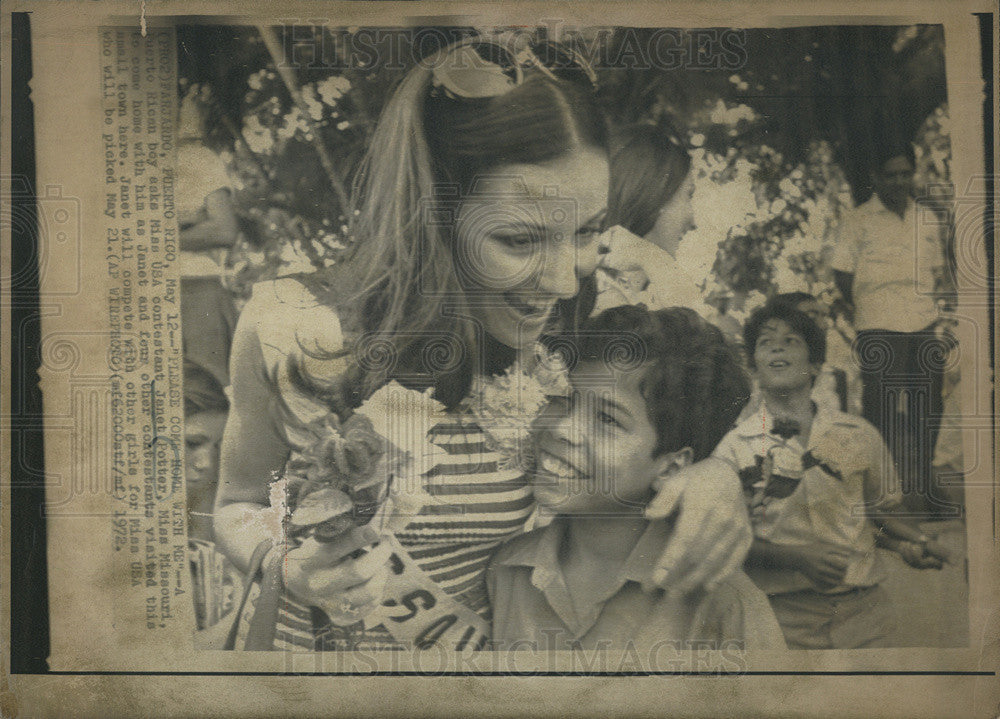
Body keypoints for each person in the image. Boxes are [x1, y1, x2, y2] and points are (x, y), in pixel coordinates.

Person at [215, 36, 752, 651]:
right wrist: (287, 564)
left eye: (587, 231)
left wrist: (719, 473)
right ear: (435, 217)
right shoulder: (292, 326)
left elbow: (704, 402)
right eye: (519, 242)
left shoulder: (590, 323)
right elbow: (237, 504)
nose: (560, 279)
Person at [488, 305, 786, 651]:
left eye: (608, 420)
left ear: (672, 467)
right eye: (562, 400)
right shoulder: (507, 571)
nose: (561, 427)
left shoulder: (724, 605)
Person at [715, 302, 950, 649]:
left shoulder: (858, 434)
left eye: (791, 340)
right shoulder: (734, 449)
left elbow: (875, 515)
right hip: (782, 623)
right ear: (754, 367)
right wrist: (796, 558)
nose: (778, 346)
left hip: (866, 615)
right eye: (766, 342)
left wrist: (906, 545)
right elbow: (726, 541)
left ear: (815, 365)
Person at [831, 142, 948, 513]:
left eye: (904, 173)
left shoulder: (927, 219)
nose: (899, 181)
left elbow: (937, 274)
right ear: (875, 178)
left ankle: (927, 487)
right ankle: (879, 495)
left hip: (923, 324)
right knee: (880, 409)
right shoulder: (857, 220)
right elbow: (842, 275)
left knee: (927, 407)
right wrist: (872, 307)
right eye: (890, 174)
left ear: (912, 174)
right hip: (878, 326)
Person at [593, 121, 707, 316]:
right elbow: (696, 340)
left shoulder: (643, 296)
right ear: (658, 194)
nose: (693, 221)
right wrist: (655, 260)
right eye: (688, 195)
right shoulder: (602, 295)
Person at [178, 83, 240, 389]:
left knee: (210, 396)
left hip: (196, 288)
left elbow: (223, 229)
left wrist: (153, 235)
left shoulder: (198, 158)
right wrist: (184, 225)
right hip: (136, 292)